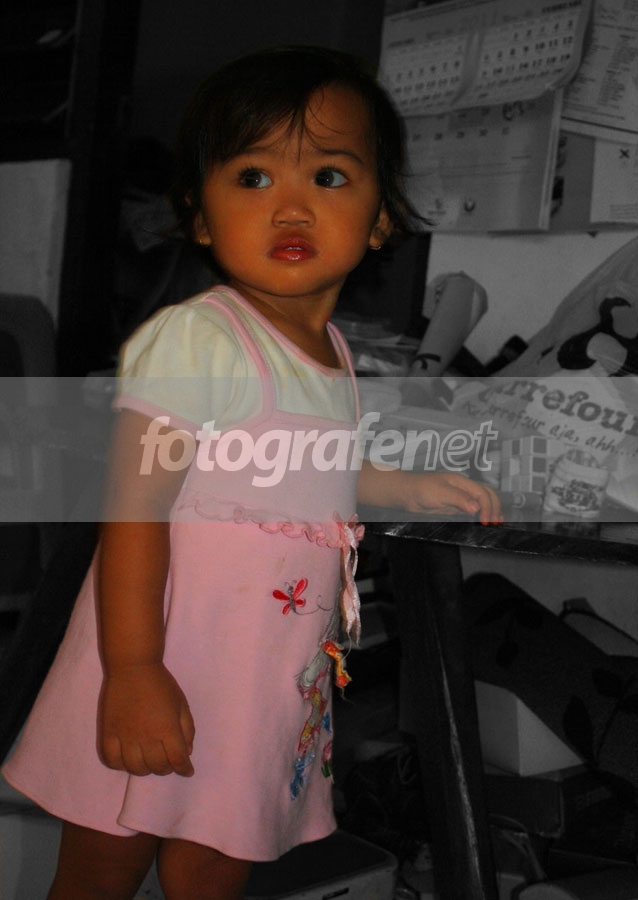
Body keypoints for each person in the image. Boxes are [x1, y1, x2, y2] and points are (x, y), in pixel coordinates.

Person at [2, 46, 501, 900]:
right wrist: (134, 672)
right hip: (161, 656)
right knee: (104, 865)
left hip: (260, 677)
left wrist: (400, 486)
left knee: (218, 860)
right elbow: (135, 508)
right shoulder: (200, 340)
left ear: (381, 219)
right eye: (253, 177)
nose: (291, 204)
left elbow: (307, 468)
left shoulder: (332, 352)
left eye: (330, 176)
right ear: (201, 219)